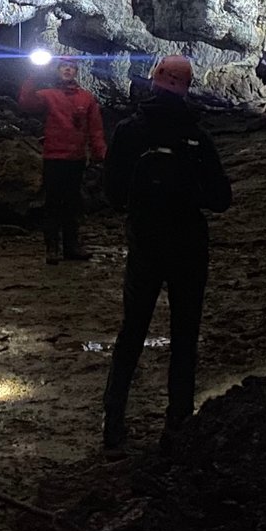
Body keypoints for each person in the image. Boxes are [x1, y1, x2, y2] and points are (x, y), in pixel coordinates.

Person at [101, 55, 231, 455]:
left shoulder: (128, 131)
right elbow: (222, 199)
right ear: (187, 87)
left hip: (145, 241)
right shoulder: (196, 136)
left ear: (155, 81)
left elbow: (111, 193)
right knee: (185, 334)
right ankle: (177, 423)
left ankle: (113, 424)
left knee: (132, 331)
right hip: (188, 243)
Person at [20, 57, 108, 263]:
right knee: (52, 204)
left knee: (72, 204)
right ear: (58, 70)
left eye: (71, 68)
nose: (68, 70)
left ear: (76, 71)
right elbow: (26, 103)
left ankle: (71, 246)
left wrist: (100, 154)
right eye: (64, 67)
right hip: (54, 157)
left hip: (75, 159)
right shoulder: (49, 95)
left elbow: (95, 129)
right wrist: (33, 76)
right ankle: (52, 248)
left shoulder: (87, 99)